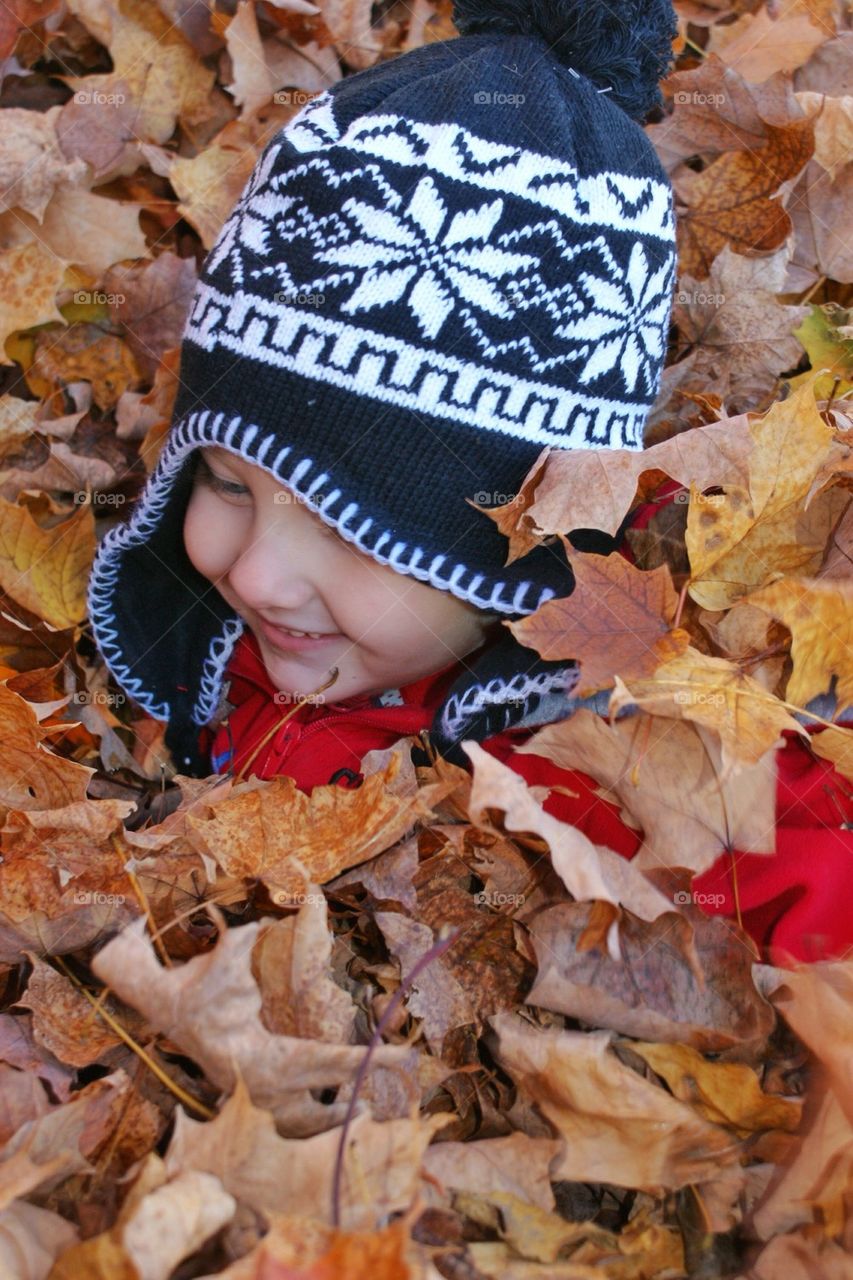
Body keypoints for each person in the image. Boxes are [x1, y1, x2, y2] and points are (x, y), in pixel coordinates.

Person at [86, 0, 853, 967]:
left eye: (355, 526)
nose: (258, 578)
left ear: (522, 545)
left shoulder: (650, 779)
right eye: (230, 485)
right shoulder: (206, 635)